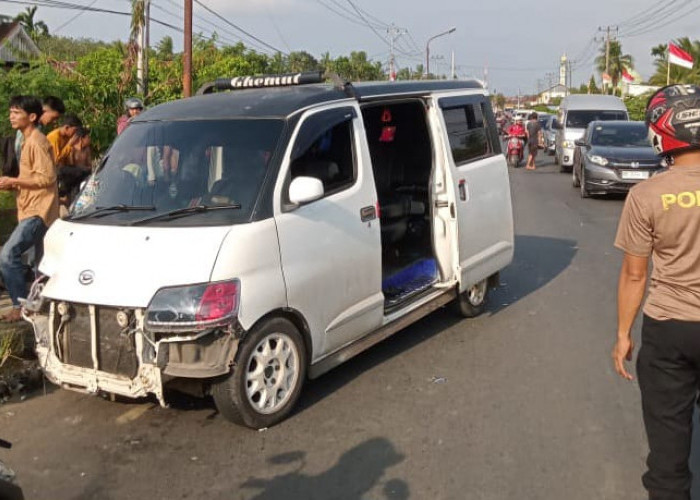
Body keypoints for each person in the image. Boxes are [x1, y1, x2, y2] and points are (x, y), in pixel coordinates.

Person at [613, 84, 700, 500]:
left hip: (669, 329)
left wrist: (623, 334)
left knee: (668, 465)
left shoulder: (646, 195)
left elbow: (634, 275)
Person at [0, 96, 59, 322]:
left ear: (32, 117)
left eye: (16, 113)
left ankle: (20, 305)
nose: (11, 117)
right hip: (30, 207)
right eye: (11, 112)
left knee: (8, 255)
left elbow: (47, 178)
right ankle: (39, 306)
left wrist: (14, 182)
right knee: (40, 263)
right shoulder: (26, 141)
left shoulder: (37, 141)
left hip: (38, 210)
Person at [12, 95, 65, 170]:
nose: (54, 121)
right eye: (54, 118)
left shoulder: (38, 127)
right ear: (44, 111)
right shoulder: (30, 126)